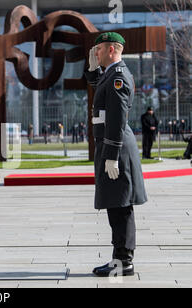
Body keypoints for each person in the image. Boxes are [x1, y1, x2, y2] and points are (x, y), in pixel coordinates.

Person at [84, 32, 147, 277]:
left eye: (98, 50)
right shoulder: (112, 74)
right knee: (115, 204)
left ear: (111, 50)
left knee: (120, 205)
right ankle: (120, 258)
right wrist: (91, 70)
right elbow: (101, 90)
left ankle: (123, 261)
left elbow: (117, 118)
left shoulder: (118, 76)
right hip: (111, 146)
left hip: (116, 148)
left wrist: (111, 154)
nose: (95, 54)